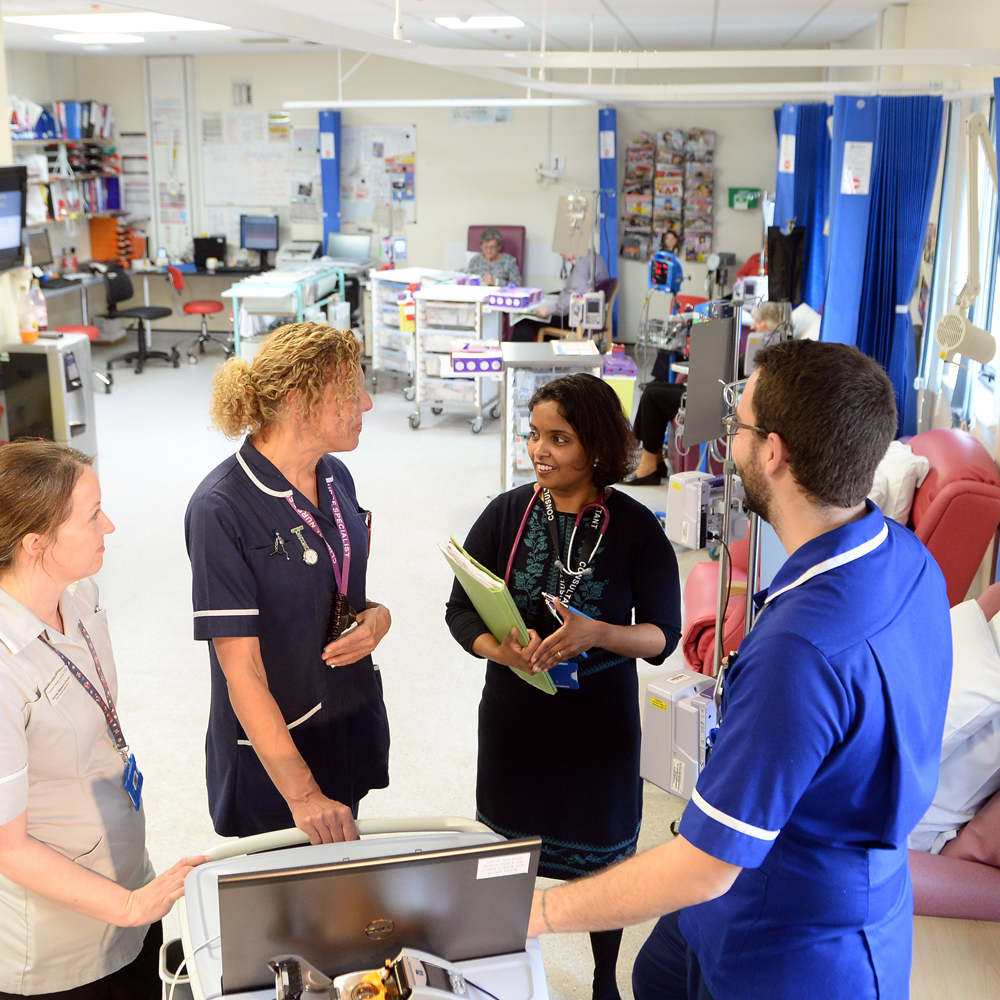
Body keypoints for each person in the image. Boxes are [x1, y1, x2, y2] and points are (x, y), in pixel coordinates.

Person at [525, 340, 953, 1000]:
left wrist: (539, 913)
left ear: (773, 453)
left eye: (740, 426)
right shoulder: (907, 557)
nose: (732, 440)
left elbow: (703, 868)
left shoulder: (801, 652)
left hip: (793, 941)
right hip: (765, 876)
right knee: (657, 974)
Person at [445, 373, 681, 1000]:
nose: (539, 451)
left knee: (606, 862)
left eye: (559, 438)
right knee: (503, 864)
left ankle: (606, 976)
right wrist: (503, 650)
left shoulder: (636, 529)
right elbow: (458, 610)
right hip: (514, 724)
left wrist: (599, 633)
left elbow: (663, 637)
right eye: (534, 436)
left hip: (597, 731)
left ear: (598, 447)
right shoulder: (505, 515)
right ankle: (506, 969)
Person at [0, 440, 207, 998]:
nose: (109, 526)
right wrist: (132, 905)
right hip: (56, 953)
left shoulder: (80, 594)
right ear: (36, 543)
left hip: (124, 881)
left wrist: (136, 900)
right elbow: (6, 847)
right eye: (93, 516)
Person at [185, 322, 391, 843]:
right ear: (300, 402)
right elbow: (243, 672)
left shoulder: (333, 476)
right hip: (278, 758)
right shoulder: (221, 509)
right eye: (352, 391)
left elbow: (332, 586)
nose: (366, 403)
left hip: (344, 713)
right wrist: (301, 793)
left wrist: (377, 617)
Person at [510, 251, 610, 342]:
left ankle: (518, 360)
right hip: (586, 311)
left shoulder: (582, 266)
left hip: (576, 316)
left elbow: (576, 298)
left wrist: (548, 310)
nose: (560, 254)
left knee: (524, 321)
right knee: (548, 296)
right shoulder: (592, 256)